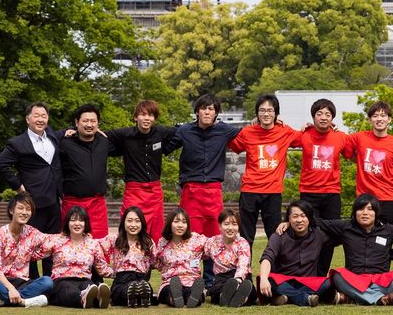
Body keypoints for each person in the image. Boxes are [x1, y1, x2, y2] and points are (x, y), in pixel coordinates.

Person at [280, 194, 393, 306]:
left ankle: (354, 297)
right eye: (361, 209)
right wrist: (290, 221)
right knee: (337, 276)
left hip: (380, 279)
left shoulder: (388, 229)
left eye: (370, 209)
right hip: (354, 278)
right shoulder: (345, 227)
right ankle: (378, 300)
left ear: (376, 213)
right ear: (355, 213)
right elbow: (317, 221)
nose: (365, 213)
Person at [164, 94, 241, 289]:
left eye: (211, 109)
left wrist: (264, 120)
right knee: (190, 236)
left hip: (213, 191)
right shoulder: (184, 131)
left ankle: (211, 280)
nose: (207, 112)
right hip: (191, 190)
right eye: (203, 108)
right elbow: (165, 146)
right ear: (197, 111)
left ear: (216, 113)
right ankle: (190, 279)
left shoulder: (225, 131)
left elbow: (250, 134)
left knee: (215, 236)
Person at [0, 102, 62, 278]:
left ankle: (50, 281)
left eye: (44, 116)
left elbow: (64, 135)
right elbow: (1, 164)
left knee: (52, 243)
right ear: (27, 119)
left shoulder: (52, 136)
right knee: (29, 244)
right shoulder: (18, 143)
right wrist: (18, 187)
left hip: (54, 200)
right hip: (32, 202)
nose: (40, 119)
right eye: (36, 115)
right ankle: (32, 281)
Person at [229, 94, 301, 250]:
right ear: (257, 113)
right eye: (262, 110)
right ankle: (244, 272)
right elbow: (231, 143)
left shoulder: (285, 131)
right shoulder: (248, 132)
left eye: (270, 110)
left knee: (275, 234)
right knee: (246, 235)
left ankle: (274, 272)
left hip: (273, 192)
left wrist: (313, 126)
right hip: (250, 190)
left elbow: (306, 138)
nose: (266, 114)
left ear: (276, 113)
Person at [294, 98, 352, 276]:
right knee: (309, 234)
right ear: (313, 117)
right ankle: (307, 273)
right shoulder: (304, 134)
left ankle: (321, 274)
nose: (324, 117)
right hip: (309, 193)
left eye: (328, 114)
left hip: (332, 194)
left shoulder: (340, 137)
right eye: (319, 114)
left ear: (333, 118)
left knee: (329, 237)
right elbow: (280, 137)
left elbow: (353, 154)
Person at [106, 100, 177, 242]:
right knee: (131, 222)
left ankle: (154, 259)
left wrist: (167, 149)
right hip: (134, 190)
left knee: (156, 226)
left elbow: (181, 132)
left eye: (150, 115)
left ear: (154, 118)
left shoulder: (161, 132)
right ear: (135, 117)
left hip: (155, 190)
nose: (147, 118)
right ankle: (129, 257)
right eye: (143, 114)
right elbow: (99, 135)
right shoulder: (124, 134)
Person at [0, 193, 52, 308]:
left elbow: (52, 241)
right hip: (1, 282)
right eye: (20, 208)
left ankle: (2, 301)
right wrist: (11, 289)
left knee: (47, 281)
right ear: (11, 211)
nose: (24, 212)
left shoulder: (33, 233)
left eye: (28, 209)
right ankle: (25, 301)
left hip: (22, 281)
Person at [57, 104, 120, 239]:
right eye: (85, 121)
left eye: (93, 121)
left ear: (98, 123)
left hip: (97, 204)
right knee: (70, 245)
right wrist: (65, 131)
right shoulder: (65, 142)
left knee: (99, 246)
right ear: (77, 122)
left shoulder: (104, 141)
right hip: (72, 202)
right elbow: (46, 138)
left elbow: (127, 138)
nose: (89, 124)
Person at [258, 201, 333, 307]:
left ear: (310, 218)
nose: (299, 220)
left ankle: (286, 297)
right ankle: (305, 299)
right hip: (284, 281)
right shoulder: (279, 235)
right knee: (271, 280)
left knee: (328, 283)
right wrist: (264, 279)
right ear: (289, 218)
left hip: (308, 282)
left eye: (303, 216)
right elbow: (267, 257)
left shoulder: (318, 234)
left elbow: (341, 232)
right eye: (295, 216)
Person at [37, 206, 114, 309]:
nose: (77, 223)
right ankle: (84, 299)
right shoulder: (57, 240)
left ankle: (98, 298)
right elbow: (37, 253)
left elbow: (102, 268)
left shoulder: (92, 243)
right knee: (69, 291)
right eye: (73, 220)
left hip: (84, 279)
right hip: (62, 280)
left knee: (90, 287)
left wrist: (122, 272)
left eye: (81, 220)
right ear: (67, 223)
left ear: (85, 223)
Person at [345, 101, 393, 225]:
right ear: (369, 120)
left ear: (389, 119)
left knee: (386, 237)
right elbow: (338, 141)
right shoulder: (359, 138)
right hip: (365, 197)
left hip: (388, 197)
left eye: (383, 115)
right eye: (375, 116)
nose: (379, 119)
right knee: (362, 236)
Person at [99, 206, 156, 308]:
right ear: (123, 222)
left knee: (145, 287)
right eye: (129, 221)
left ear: (142, 223)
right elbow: (94, 249)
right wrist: (106, 270)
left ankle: (141, 295)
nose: (133, 225)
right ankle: (133, 296)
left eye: (137, 221)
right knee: (125, 290)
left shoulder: (147, 242)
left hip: (141, 278)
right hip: (121, 280)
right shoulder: (115, 239)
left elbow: (156, 261)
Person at [154, 207, 208, 308]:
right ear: (170, 223)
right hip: (170, 281)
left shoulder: (197, 239)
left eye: (184, 222)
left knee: (191, 290)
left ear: (187, 225)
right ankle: (174, 299)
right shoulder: (163, 242)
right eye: (176, 221)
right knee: (168, 290)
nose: (180, 225)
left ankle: (193, 299)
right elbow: (157, 263)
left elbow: (214, 246)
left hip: (191, 280)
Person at [204, 209, 256, 307]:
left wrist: (238, 280)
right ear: (219, 226)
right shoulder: (212, 242)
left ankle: (240, 298)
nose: (230, 228)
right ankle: (225, 296)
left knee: (250, 290)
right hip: (222, 277)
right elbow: (200, 252)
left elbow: (243, 264)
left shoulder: (242, 243)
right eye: (226, 224)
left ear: (238, 226)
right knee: (215, 291)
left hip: (241, 277)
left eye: (234, 224)